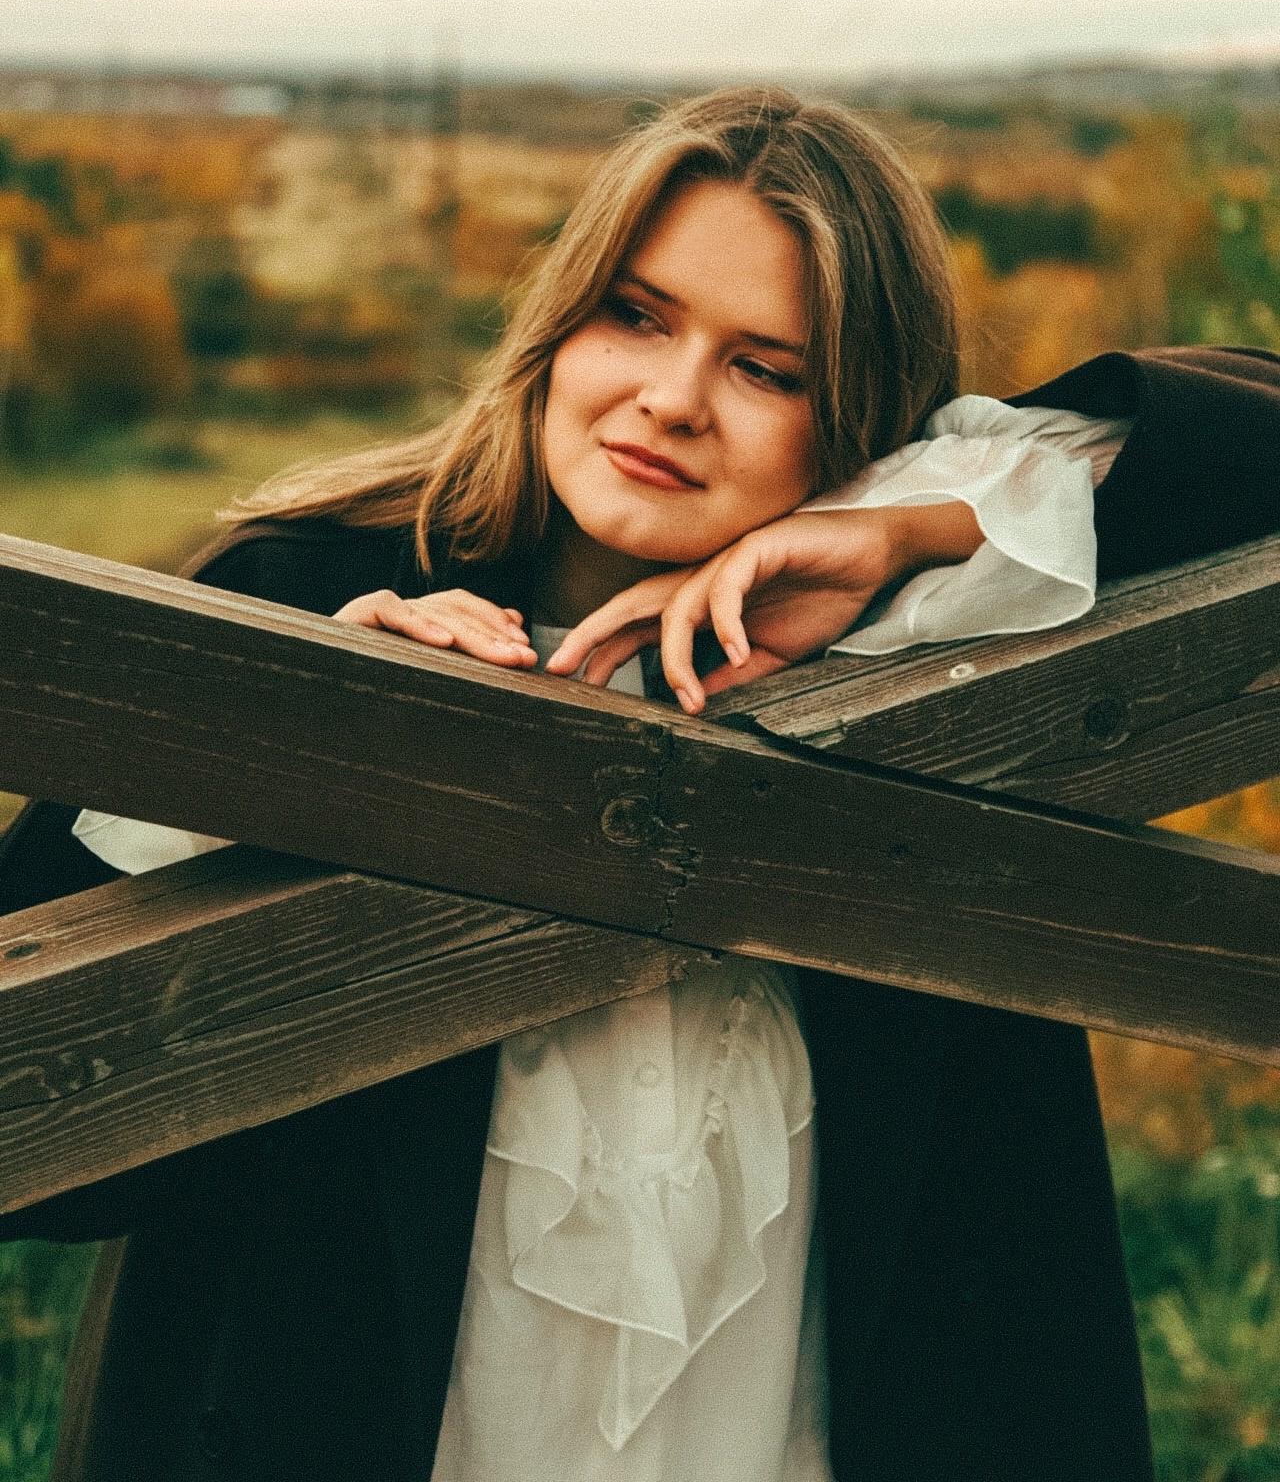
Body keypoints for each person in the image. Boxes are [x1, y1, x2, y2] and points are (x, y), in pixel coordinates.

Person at [2, 88, 1279, 1482]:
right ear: (557, 326)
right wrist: (302, 743)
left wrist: (913, 525)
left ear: (854, 422)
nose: (671, 399)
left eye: (767, 370)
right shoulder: (303, 595)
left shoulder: (937, 622)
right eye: (637, 315)